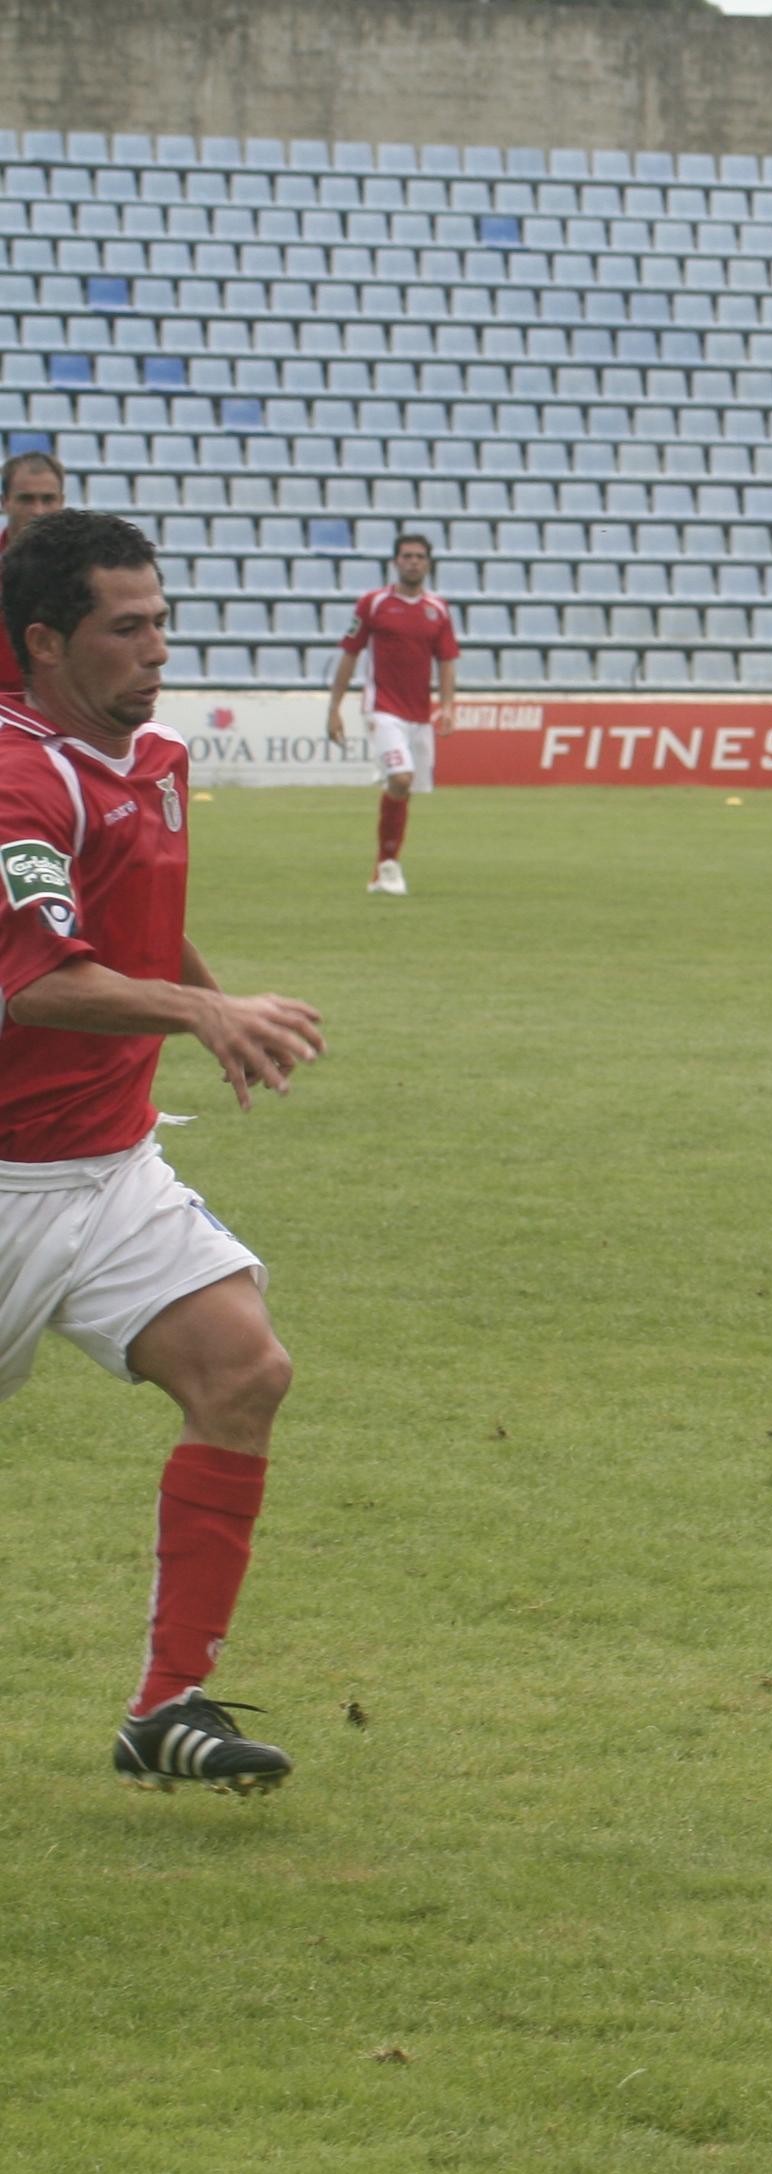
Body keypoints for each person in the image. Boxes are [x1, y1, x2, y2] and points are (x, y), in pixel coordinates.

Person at [2, 512, 326, 1791]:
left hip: (107, 1169)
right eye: (125, 629)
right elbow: (32, 979)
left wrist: (207, 1000)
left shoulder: (156, 756)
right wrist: (200, 1012)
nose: (157, 649)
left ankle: (166, 1706)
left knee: (245, 1372)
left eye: (162, 621)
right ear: (43, 642)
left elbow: (131, 928)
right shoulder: (22, 775)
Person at [324, 533, 458, 897]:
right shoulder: (374, 604)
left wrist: (447, 705)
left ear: (428, 563)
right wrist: (335, 707)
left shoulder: (438, 610)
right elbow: (350, 655)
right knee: (401, 779)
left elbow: (446, 660)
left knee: (405, 789)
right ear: (395, 561)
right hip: (382, 708)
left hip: (418, 714)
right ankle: (388, 867)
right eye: (406, 556)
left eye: (419, 556)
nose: (413, 561)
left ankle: (382, 868)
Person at [0, 448, 66, 706]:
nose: (38, 511)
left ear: (62, 501)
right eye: (26, 499)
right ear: (5, 501)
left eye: (48, 499)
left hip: (63, 713)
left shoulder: (87, 569)